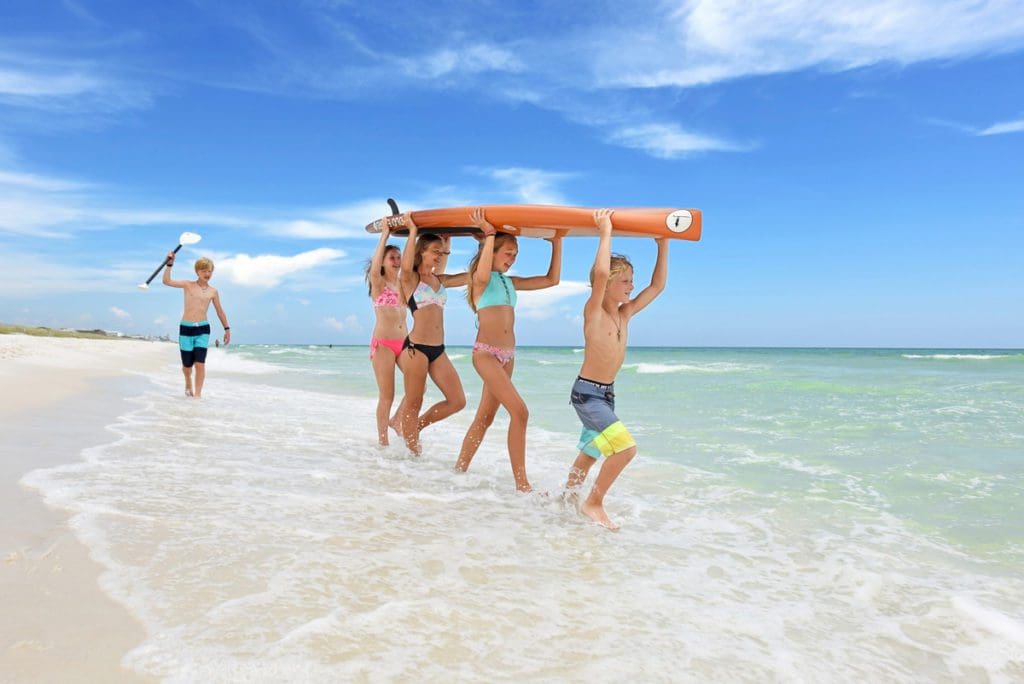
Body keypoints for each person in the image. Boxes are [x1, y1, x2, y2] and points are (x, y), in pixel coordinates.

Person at [564, 209, 668, 530]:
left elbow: (657, 286)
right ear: (607, 284)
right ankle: (593, 502)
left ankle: (566, 496)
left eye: (630, 281)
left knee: (592, 449)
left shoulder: (625, 314)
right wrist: (604, 231)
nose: (630, 286)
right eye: (623, 281)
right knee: (625, 449)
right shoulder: (593, 310)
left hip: (606, 395)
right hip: (587, 393)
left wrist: (662, 243)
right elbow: (597, 275)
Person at [455, 208, 563, 492]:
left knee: (486, 418)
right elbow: (481, 268)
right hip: (486, 354)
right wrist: (489, 235)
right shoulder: (481, 281)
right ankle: (522, 484)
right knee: (521, 412)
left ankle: (459, 470)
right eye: (508, 253)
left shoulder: (510, 283)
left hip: (507, 357)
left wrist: (557, 242)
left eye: (515, 254)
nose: (512, 258)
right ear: (492, 252)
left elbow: (552, 280)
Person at [397, 213, 469, 455]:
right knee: (413, 402)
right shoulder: (410, 279)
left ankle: (414, 428)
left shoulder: (440, 280)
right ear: (422, 252)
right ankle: (412, 456)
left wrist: (473, 242)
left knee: (458, 400)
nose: (439, 255)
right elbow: (406, 264)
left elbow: (474, 276)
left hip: (438, 350)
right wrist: (413, 229)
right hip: (415, 349)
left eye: (442, 252)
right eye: (435, 251)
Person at [163, 252, 230, 398]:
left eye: (209, 271)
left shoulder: (213, 291)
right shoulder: (188, 285)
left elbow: (220, 310)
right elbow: (166, 281)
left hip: (203, 329)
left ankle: (197, 396)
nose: (207, 273)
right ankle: (188, 381)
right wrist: (169, 264)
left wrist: (227, 329)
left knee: (200, 363)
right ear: (197, 272)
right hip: (186, 328)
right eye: (204, 270)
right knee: (187, 366)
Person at [366, 223, 408, 446]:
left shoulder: (405, 284)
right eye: (392, 257)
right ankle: (383, 442)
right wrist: (385, 234)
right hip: (383, 344)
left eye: (399, 256)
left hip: (405, 342)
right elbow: (374, 268)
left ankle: (397, 420)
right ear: (382, 261)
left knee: (417, 386)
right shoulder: (379, 284)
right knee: (387, 395)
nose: (397, 260)